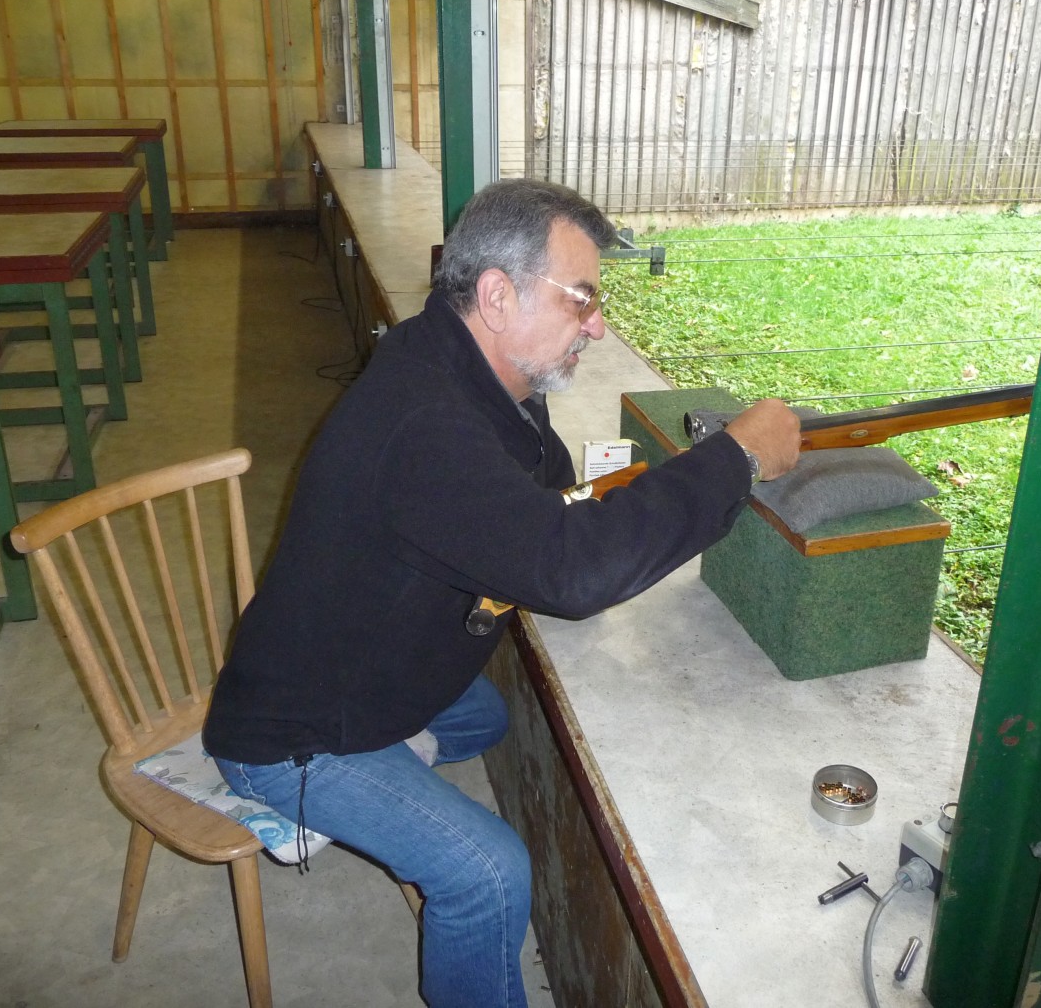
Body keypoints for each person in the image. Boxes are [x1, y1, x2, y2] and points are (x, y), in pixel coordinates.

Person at [202, 178, 800, 1007]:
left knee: (484, 718)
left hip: (353, 670)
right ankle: (325, 792)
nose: (597, 324)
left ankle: (388, 769)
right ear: (495, 296)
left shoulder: (463, 368)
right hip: (291, 733)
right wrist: (734, 458)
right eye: (580, 299)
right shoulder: (423, 425)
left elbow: (545, 491)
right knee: (487, 872)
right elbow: (571, 572)